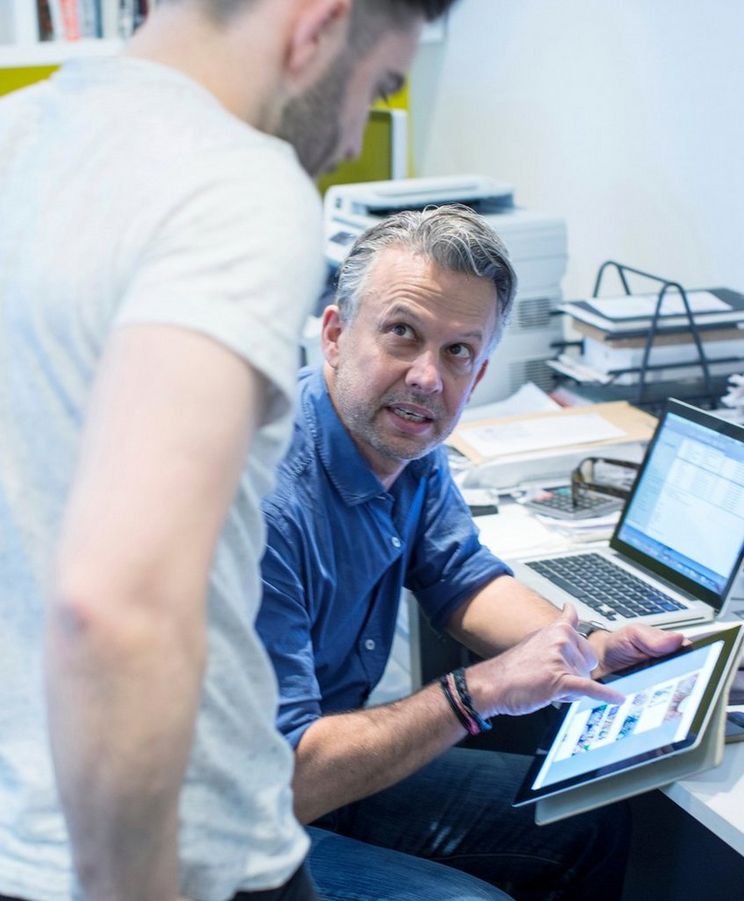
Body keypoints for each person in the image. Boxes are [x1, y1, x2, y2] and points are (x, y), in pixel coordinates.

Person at [0, 1, 456, 899]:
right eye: (379, 86)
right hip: (178, 846)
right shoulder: (236, 184)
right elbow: (117, 608)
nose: (357, 128)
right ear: (317, 26)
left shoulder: (21, 134)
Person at [256, 205, 686, 900]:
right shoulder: (264, 505)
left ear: (479, 372)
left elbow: (459, 577)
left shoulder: (405, 442)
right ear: (335, 335)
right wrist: (477, 690)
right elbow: (286, 777)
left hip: (324, 760)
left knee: (585, 820)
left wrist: (587, 647)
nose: (427, 376)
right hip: (225, 819)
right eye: (403, 333)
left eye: (457, 352)